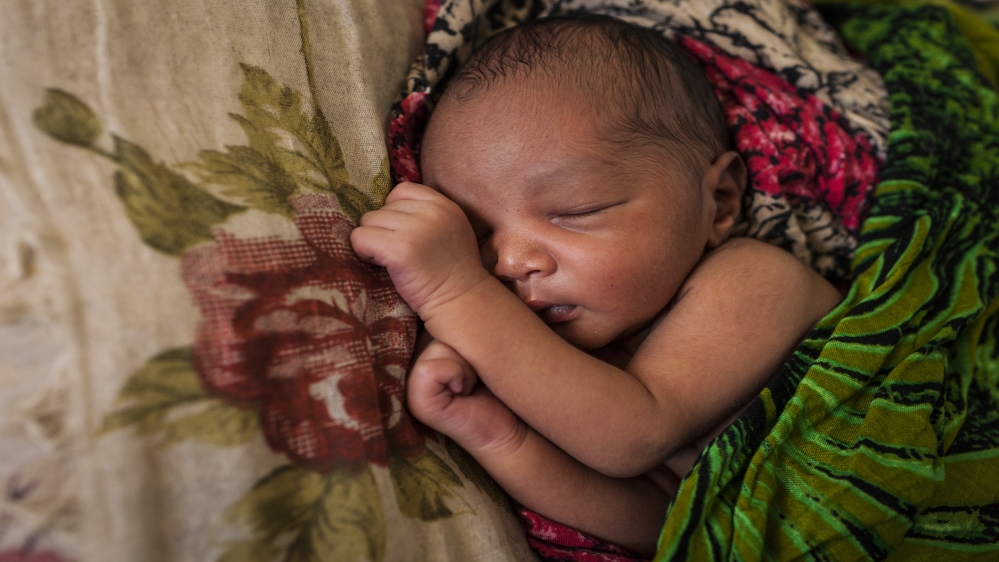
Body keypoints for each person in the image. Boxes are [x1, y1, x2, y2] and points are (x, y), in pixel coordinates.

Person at [350, 14, 842, 557]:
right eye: (478, 234)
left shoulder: (754, 279)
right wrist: (500, 437)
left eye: (574, 212)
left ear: (719, 201)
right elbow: (666, 519)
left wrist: (456, 291)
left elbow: (634, 434)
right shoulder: (586, 361)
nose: (510, 262)